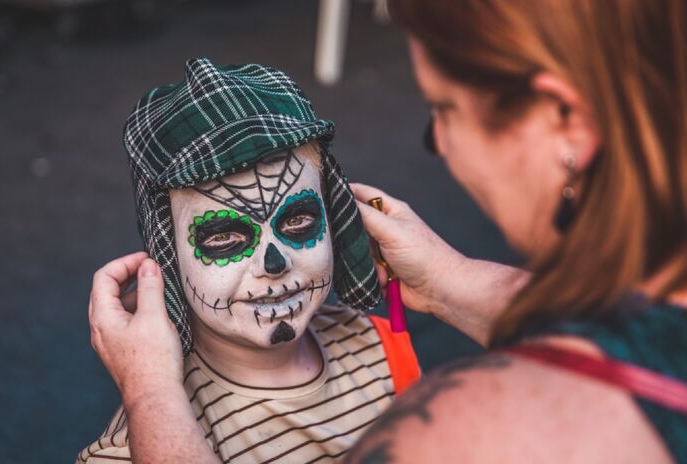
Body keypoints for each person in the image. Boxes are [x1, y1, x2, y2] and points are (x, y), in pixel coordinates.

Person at [88, 0, 687, 461]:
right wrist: (451, 280)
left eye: (443, 110)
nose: (441, 146)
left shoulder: (405, 377)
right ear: (163, 253)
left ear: (565, 120)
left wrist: (150, 398)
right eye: (223, 237)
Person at [79, 58, 421, 463]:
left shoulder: (381, 348)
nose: (274, 263)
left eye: (297, 220)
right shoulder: (131, 451)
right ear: (166, 259)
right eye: (223, 237)